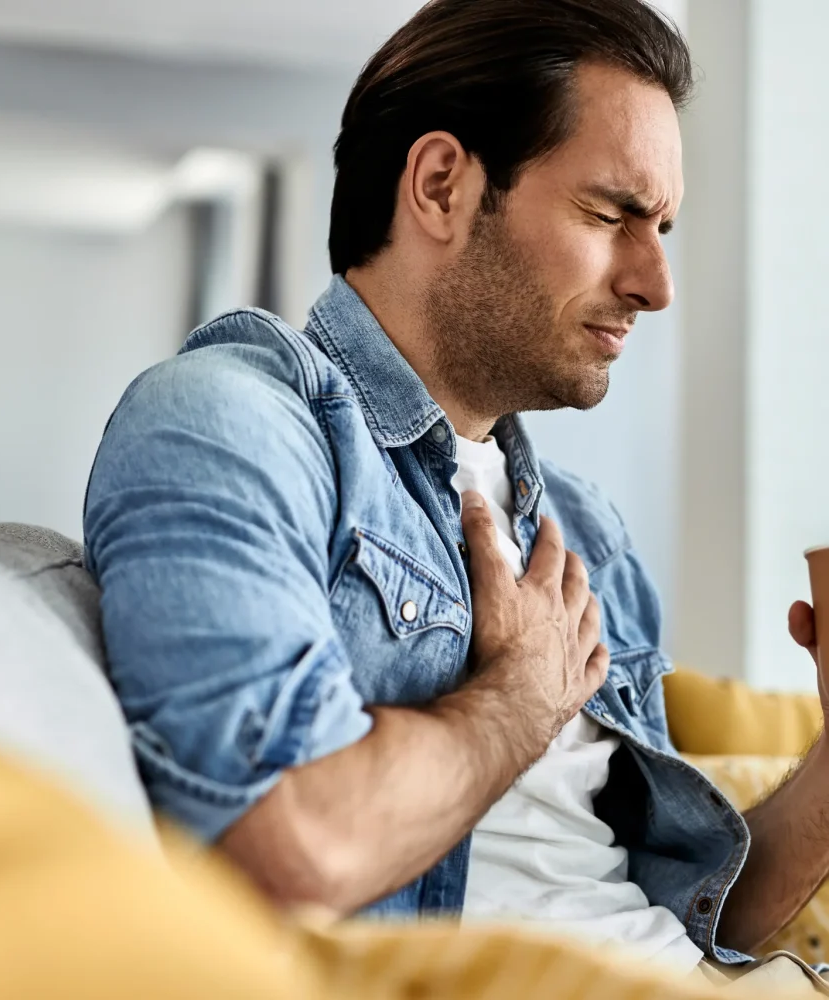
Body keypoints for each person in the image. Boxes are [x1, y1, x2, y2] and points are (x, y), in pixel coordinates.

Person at [83, 0, 829, 988]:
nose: (656, 283)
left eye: (663, 229)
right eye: (610, 216)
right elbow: (284, 847)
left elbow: (667, 914)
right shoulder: (230, 423)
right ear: (441, 185)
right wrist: (515, 702)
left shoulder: (583, 532)